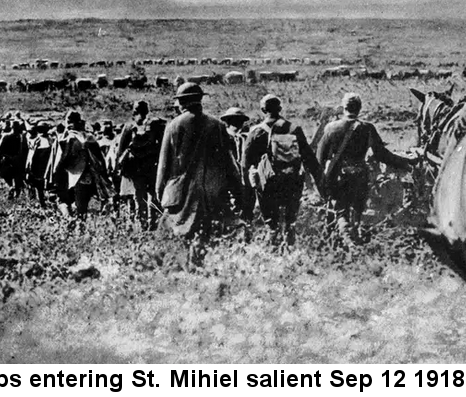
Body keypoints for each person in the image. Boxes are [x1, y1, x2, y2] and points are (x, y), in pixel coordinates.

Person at [156, 82, 243, 265]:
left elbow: (164, 165)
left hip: (182, 192)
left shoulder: (173, 126)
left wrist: (160, 191)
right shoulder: (218, 125)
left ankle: (185, 271)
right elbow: (229, 164)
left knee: (179, 237)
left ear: (183, 103)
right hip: (212, 191)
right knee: (207, 235)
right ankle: (202, 269)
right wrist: (237, 191)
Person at [316, 92, 416, 238]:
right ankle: (354, 235)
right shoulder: (367, 128)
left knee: (340, 211)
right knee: (357, 210)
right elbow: (382, 155)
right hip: (359, 176)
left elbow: (320, 157)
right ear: (359, 109)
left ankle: (346, 238)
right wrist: (405, 163)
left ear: (344, 108)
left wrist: (323, 181)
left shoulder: (331, 128)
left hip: (338, 176)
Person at [242, 94, 321, 245]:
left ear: (263, 109)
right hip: (292, 181)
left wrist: (247, 190)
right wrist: (319, 182)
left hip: (268, 183)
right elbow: (308, 158)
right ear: (280, 108)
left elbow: (246, 163)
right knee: (289, 221)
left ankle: (274, 244)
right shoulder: (294, 129)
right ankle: (289, 239)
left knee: (272, 223)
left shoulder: (256, 131)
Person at [51, 111, 113, 218]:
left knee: (65, 202)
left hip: (71, 175)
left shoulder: (65, 138)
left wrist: (54, 177)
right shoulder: (88, 137)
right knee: (80, 205)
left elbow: (57, 161)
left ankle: (70, 221)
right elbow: (100, 160)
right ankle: (78, 224)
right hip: (83, 176)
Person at [116, 101, 164, 229]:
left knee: (141, 196)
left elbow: (120, 149)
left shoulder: (132, 126)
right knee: (150, 195)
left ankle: (144, 223)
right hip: (147, 166)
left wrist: (120, 165)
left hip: (140, 166)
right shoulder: (154, 124)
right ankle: (150, 223)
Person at [0, 120, 27, 199]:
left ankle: (11, 188)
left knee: (6, 176)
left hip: (7, 159)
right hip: (17, 160)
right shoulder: (21, 137)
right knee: (17, 177)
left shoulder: (6, 136)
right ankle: (16, 193)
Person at [25, 121, 52, 207]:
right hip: (48, 166)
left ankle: (42, 203)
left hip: (38, 167)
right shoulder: (52, 140)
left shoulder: (37, 140)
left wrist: (29, 168)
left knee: (38, 186)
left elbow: (31, 156)